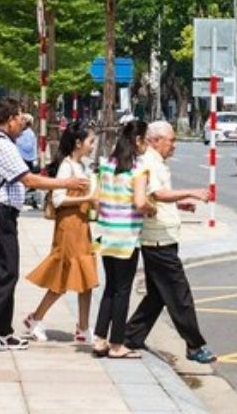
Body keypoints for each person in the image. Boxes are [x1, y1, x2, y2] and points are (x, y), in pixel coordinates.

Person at [0, 98, 90, 353]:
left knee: (2, 274)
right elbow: (29, 180)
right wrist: (67, 184)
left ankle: (2, 334)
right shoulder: (2, 145)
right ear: (10, 120)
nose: (23, 122)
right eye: (20, 118)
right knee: (7, 275)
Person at [123, 121, 216, 363]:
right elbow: (157, 194)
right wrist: (191, 192)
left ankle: (131, 336)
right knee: (179, 293)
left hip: (163, 237)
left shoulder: (156, 162)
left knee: (157, 295)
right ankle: (194, 345)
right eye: (171, 140)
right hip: (158, 240)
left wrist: (179, 203)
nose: (174, 145)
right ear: (155, 141)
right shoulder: (149, 162)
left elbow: (160, 196)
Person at [22, 121, 100, 344]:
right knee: (61, 279)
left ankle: (83, 328)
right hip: (68, 229)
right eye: (90, 141)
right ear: (78, 143)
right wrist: (88, 198)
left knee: (87, 279)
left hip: (82, 227)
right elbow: (58, 200)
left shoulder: (82, 166)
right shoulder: (67, 167)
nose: (93, 145)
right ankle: (35, 318)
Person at [92, 120, 153, 359]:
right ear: (137, 141)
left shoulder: (107, 165)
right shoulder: (138, 169)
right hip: (127, 236)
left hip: (106, 234)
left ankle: (99, 339)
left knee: (110, 287)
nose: (147, 144)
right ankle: (117, 344)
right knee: (123, 290)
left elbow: (96, 200)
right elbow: (140, 202)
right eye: (145, 139)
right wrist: (151, 209)